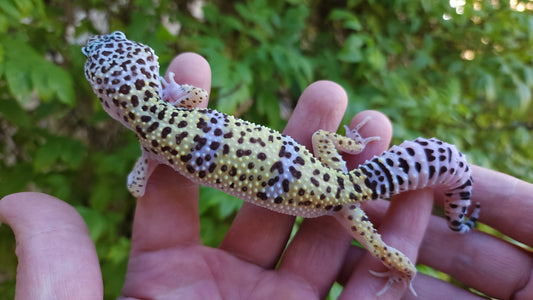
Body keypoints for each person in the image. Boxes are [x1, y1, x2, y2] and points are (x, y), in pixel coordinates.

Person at [1, 53, 532, 300]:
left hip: (334, 195)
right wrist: (345, 148)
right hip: (325, 169)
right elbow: (194, 96)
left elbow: (139, 185)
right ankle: (431, 227)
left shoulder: (155, 141)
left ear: (112, 104)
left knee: (386, 249)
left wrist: (145, 165)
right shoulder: (179, 114)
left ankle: (404, 269)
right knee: (334, 138)